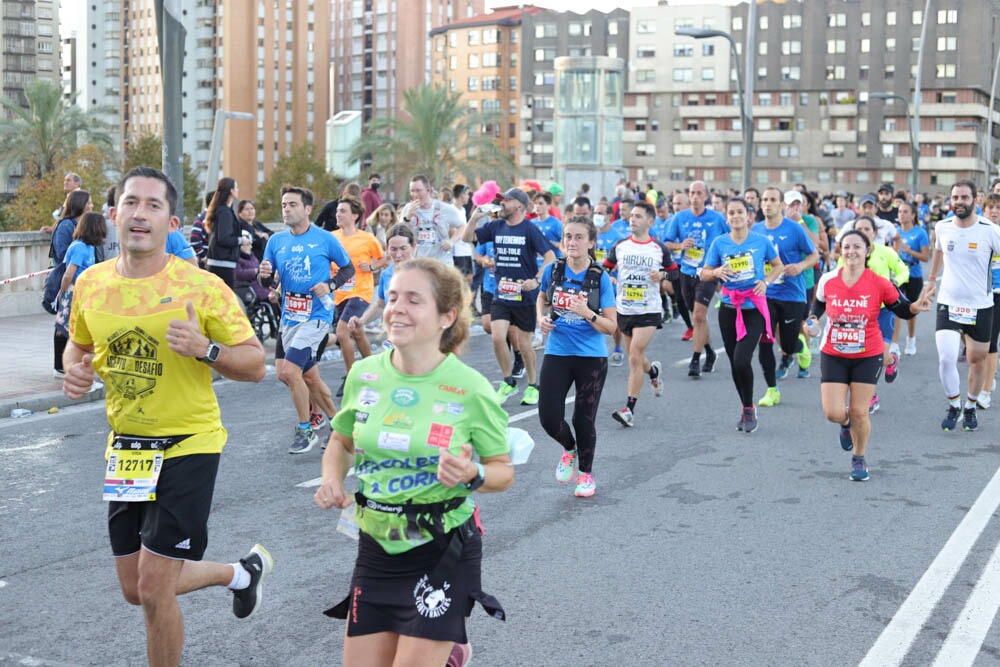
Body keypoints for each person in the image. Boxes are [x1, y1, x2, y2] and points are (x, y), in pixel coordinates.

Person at [62, 166, 270, 666]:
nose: (140, 213)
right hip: (128, 448)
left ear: (171, 222)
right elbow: (77, 347)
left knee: (155, 589)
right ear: (113, 215)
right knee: (136, 589)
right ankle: (238, 574)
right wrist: (74, 372)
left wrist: (208, 349)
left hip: (188, 443)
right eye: (131, 202)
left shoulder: (200, 288)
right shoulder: (91, 284)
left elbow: (257, 363)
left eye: (153, 205)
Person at [315, 257, 513, 667]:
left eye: (413, 300)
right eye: (391, 297)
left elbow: (502, 471)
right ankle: (450, 653)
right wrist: (331, 477)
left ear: (447, 317)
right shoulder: (364, 374)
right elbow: (341, 439)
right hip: (376, 546)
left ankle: (444, 649)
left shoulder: (470, 388)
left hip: (441, 549)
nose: (396, 308)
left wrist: (473, 473)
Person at [812, 229, 934, 480]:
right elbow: (819, 306)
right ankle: (845, 426)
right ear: (840, 250)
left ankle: (859, 458)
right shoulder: (828, 280)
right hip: (834, 352)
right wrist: (811, 321)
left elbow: (902, 309)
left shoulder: (878, 283)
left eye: (857, 246)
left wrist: (915, 307)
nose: (851, 251)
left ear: (868, 251)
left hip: (868, 353)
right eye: (846, 247)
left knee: (859, 411)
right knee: (833, 412)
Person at [259, 185, 355, 453]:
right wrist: (265, 276)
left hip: (317, 316)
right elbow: (266, 278)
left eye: (292, 205)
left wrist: (331, 285)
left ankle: (306, 429)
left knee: (291, 371)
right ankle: (339, 425)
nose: (286, 209)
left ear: (307, 209)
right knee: (303, 377)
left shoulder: (325, 239)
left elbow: (348, 268)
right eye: (284, 205)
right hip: (289, 317)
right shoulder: (276, 241)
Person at [537, 216, 616, 496]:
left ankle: (585, 474)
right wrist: (541, 319)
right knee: (548, 417)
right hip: (557, 352)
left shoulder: (599, 278)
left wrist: (588, 314)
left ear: (591, 242)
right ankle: (568, 448)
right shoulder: (553, 270)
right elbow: (541, 298)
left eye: (579, 237)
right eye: (568, 236)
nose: (572, 242)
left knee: (584, 419)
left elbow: (610, 327)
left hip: (591, 357)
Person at [464, 188, 557, 405]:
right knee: (497, 337)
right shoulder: (496, 226)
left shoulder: (529, 230)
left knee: (524, 343)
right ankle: (508, 381)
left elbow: (550, 257)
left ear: (519, 206)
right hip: (501, 295)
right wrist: (474, 218)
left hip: (524, 296)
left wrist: (536, 279)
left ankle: (534, 384)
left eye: (506, 200)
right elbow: (467, 237)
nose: (501, 204)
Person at [702, 197, 783, 433]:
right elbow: (705, 273)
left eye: (740, 212)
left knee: (741, 359)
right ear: (726, 218)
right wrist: (716, 271)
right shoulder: (720, 243)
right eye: (731, 213)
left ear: (748, 216)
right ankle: (746, 406)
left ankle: (748, 409)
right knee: (734, 364)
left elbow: (778, 265)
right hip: (728, 308)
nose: (736, 216)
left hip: (753, 308)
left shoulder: (761, 241)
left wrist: (766, 282)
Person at [928, 180, 1000, 432]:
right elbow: (938, 250)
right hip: (948, 303)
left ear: (975, 201)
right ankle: (953, 404)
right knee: (947, 358)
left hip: (981, 305)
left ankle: (970, 406)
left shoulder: (990, 230)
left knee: (976, 359)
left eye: (964, 197)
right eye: (955, 197)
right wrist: (931, 279)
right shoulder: (943, 226)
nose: (959, 202)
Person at [602, 201, 677, 427]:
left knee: (634, 355)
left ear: (650, 222)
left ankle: (629, 410)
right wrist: (610, 278)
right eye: (631, 216)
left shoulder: (659, 248)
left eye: (638, 216)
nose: (632, 219)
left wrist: (662, 275)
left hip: (649, 309)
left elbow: (674, 275)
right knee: (638, 357)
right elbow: (605, 269)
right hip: (624, 308)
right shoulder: (620, 246)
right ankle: (653, 371)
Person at [753, 187, 819, 407]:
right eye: (765, 199)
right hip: (766, 293)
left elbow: (814, 254)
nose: (768, 203)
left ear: (781, 205)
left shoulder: (794, 229)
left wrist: (800, 266)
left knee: (788, 346)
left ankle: (800, 348)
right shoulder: (755, 230)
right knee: (764, 340)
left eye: (773, 199)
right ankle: (772, 390)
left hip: (792, 294)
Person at [665, 180, 727, 378]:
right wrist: (680, 245)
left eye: (700, 193)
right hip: (687, 271)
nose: (696, 196)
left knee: (699, 315)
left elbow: (729, 240)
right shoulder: (680, 218)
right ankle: (709, 352)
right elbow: (667, 243)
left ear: (706, 196)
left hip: (708, 273)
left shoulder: (717, 219)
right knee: (697, 317)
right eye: (693, 193)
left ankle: (695, 359)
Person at [332, 197, 386, 395]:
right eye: (337, 211)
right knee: (357, 332)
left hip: (361, 292)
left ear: (354, 216)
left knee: (342, 332)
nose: (338, 214)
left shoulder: (367, 238)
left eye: (342, 211)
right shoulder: (331, 237)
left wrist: (371, 266)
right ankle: (373, 369)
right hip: (340, 293)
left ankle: (351, 377)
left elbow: (383, 259)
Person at [54, 212, 107, 374]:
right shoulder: (79, 247)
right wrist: (61, 294)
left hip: (85, 293)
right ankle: (61, 367)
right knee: (64, 329)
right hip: (73, 292)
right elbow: (69, 274)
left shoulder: (88, 247)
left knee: (79, 330)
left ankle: (78, 366)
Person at [49, 189, 94, 372]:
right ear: (80, 204)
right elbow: (63, 257)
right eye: (89, 202)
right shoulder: (67, 225)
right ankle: (60, 366)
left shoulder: (83, 224)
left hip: (82, 285)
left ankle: (75, 364)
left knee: (77, 325)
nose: (91, 205)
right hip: (69, 285)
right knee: (63, 324)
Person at [349, 224, 416, 342]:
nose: (398, 254)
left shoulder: (425, 273)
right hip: (395, 334)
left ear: (413, 247)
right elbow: (380, 304)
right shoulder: (386, 274)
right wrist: (361, 321)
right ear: (387, 248)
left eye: (403, 248)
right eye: (393, 249)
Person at [400, 174, 465, 266]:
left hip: (442, 263)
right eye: (412, 191)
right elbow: (399, 232)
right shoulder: (408, 209)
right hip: (419, 262)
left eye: (418, 190)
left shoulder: (444, 208)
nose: (415, 195)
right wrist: (407, 217)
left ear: (428, 189)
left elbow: (462, 226)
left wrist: (452, 241)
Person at [895, 201, 931, 358]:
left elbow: (925, 257)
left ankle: (911, 339)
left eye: (905, 211)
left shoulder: (920, 233)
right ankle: (894, 344)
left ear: (913, 215)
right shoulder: (895, 232)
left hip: (914, 275)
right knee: (895, 308)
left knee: (911, 308)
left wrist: (910, 251)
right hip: (897, 275)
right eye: (900, 211)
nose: (901, 214)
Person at [205, 177, 241, 288]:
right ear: (231, 191)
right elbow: (224, 238)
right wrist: (241, 240)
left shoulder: (222, 210)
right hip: (222, 264)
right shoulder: (224, 212)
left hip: (219, 263)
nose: (238, 190)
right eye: (236, 187)